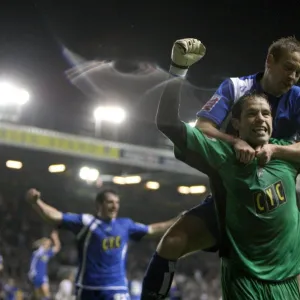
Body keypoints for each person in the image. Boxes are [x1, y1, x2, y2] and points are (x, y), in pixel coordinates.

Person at [141, 37, 300, 299]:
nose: (293, 77)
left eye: (298, 72)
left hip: (279, 197)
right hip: (233, 195)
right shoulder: (236, 88)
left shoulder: (296, 100)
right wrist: (236, 142)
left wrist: (274, 150)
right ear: (270, 61)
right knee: (173, 241)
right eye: (288, 68)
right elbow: (203, 127)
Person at [26, 188, 179, 300]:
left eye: (117, 202)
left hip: (116, 287)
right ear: (99, 205)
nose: (115, 206)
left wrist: (178, 220)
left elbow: (153, 229)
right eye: (110, 202)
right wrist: (36, 202)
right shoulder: (86, 222)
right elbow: (55, 217)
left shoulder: (125, 225)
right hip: (88, 289)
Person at [28, 230, 61, 300]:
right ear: (43, 244)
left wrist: (55, 238)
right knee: (37, 296)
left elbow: (57, 248)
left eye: (49, 244)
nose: (49, 246)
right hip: (36, 276)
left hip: (43, 276)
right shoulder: (37, 253)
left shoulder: (47, 253)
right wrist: (31, 273)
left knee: (47, 294)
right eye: (48, 244)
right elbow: (32, 263)